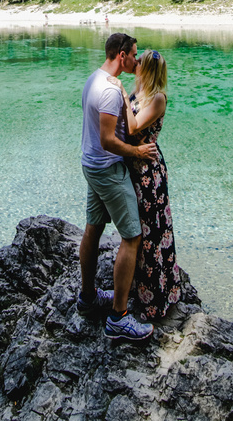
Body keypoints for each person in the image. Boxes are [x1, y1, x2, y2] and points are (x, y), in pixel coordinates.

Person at [79, 32, 157, 343]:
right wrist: (138, 152)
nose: (137, 61)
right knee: (132, 236)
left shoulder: (93, 79)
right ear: (121, 55)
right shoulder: (110, 92)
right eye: (134, 55)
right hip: (108, 170)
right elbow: (108, 140)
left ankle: (87, 298)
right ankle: (119, 317)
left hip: (90, 165)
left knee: (93, 228)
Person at [121, 49, 181, 319]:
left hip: (149, 173)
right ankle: (139, 290)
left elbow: (133, 128)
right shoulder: (137, 95)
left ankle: (157, 299)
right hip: (134, 167)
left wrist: (121, 96)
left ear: (148, 69)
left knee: (152, 231)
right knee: (139, 231)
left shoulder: (157, 99)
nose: (136, 63)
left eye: (140, 61)